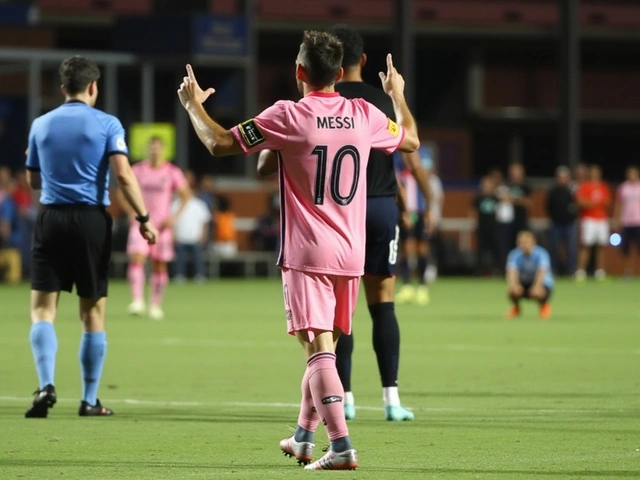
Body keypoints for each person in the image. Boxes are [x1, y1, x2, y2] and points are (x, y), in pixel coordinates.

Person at [177, 31, 419, 470]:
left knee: (317, 349)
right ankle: (304, 437)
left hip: (308, 252)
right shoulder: (364, 113)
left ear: (299, 72)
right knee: (323, 348)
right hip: (352, 252)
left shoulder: (289, 115)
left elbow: (218, 143)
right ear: (343, 71)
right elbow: (411, 141)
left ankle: (341, 446)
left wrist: (194, 105)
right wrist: (397, 96)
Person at [23, 55, 158, 418]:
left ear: (63, 88)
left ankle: (46, 384)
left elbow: (34, 181)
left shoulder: (40, 124)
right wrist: (144, 218)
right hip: (91, 221)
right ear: (94, 86)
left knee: (42, 309)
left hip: (50, 218)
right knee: (92, 311)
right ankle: (89, 399)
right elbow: (124, 176)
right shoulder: (107, 124)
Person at [327, 23, 430, 423]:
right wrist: (397, 94)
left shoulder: (326, 102)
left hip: (341, 211)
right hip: (382, 206)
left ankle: (346, 398)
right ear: (363, 60)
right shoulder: (378, 103)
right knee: (383, 302)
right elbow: (408, 143)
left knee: (342, 308)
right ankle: (391, 400)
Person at [124, 137, 190, 320]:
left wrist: (174, 217)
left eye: (158, 148)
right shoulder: (138, 170)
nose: (154, 151)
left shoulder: (171, 172)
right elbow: (123, 189)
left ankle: (155, 304)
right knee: (137, 259)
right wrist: (131, 212)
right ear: (147, 149)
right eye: (151, 148)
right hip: (141, 223)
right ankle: (137, 301)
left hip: (162, 226)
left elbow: (186, 194)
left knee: (159, 265)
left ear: (163, 150)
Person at [396, 147, 443, 305]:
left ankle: (422, 287)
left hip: (420, 210)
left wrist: (430, 210)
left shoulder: (422, 153)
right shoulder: (395, 156)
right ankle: (407, 286)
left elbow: (426, 175)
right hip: (406, 211)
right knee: (406, 249)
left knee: (422, 249)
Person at [505, 230, 554, 320]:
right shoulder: (514, 254)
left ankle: (544, 306)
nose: (523, 245)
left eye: (526, 242)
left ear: (533, 242)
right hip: (524, 282)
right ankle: (516, 308)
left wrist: (537, 286)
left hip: (541, 283)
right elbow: (511, 272)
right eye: (520, 242)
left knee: (538, 292)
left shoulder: (541, 254)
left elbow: (541, 272)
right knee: (512, 291)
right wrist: (514, 285)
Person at [575, 164, 611, 281]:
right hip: (589, 219)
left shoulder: (603, 186)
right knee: (586, 245)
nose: (595, 174)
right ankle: (581, 271)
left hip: (601, 219)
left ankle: (600, 271)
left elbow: (607, 203)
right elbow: (580, 202)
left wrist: (591, 203)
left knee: (601, 246)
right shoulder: (585, 186)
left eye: (597, 172)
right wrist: (595, 204)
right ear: (590, 173)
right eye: (593, 172)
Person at [172, 191, 211, 283]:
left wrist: (204, 236)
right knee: (179, 258)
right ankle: (179, 275)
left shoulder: (199, 204)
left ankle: (199, 275)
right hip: (180, 236)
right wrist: (173, 235)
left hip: (195, 237)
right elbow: (171, 223)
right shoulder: (175, 204)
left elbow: (205, 222)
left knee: (198, 258)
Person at [546, 166, 578, 275]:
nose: (562, 179)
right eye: (560, 177)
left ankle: (570, 270)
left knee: (571, 249)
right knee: (554, 249)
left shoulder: (572, 191)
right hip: (556, 224)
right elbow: (548, 206)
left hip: (569, 224)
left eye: (564, 177)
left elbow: (576, 205)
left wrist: (572, 217)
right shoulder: (553, 191)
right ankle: (554, 270)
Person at [613, 165, 640, 276]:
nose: (632, 175)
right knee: (626, 249)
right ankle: (628, 271)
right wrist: (616, 219)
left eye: (634, 173)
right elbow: (619, 204)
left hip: (638, 222)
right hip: (626, 222)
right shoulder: (623, 187)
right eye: (630, 173)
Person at [471, 175, 500, 275]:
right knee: (480, 250)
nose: (486, 187)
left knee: (495, 249)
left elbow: (500, 212)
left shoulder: (496, 198)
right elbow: (473, 211)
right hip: (482, 227)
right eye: (485, 185)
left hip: (494, 228)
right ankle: (479, 271)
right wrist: (474, 223)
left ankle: (498, 270)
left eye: (488, 185)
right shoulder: (478, 198)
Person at [0, 192, 23, 283]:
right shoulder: (7, 202)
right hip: (10, 248)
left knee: (12, 281)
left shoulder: (7, 203)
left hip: (9, 249)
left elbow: (5, 229)